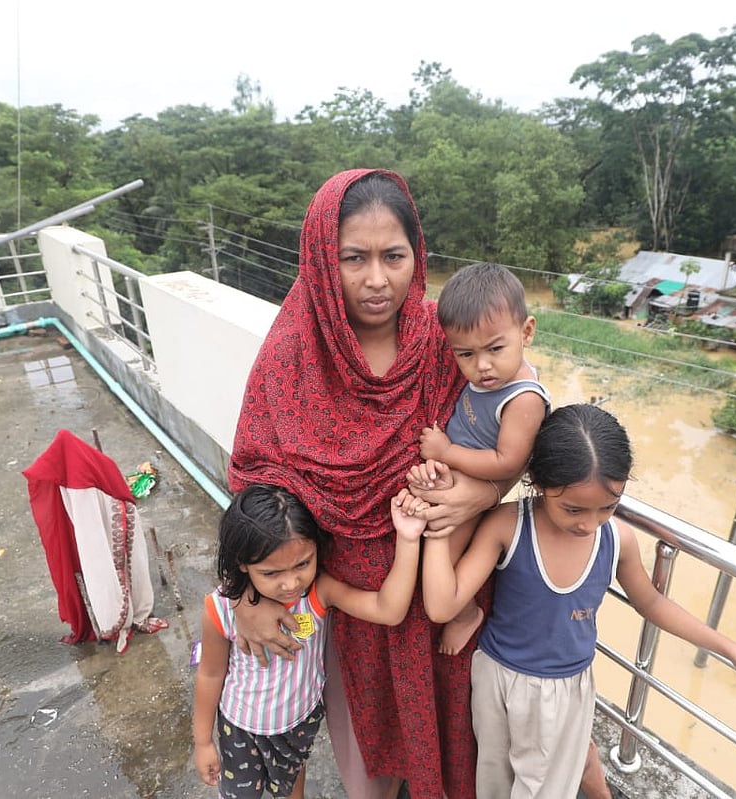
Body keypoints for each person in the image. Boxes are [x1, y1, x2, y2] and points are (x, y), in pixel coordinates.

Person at [227, 169, 503, 799]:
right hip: (348, 603)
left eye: (393, 257)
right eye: (354, 258)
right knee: (368, 764)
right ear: (323, 260)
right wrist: (251, 596)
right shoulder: (293, 356)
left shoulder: (449, 340)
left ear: (418, 255)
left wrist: (485, 492)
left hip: (447, 588)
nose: (378, 280)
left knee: (458, 741)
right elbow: (253, 482)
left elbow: (518, 426)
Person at [422, 403, 736, 799]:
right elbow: (444, 605)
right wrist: (433, 525)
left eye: (608, 505)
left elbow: (652, 603)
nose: (589, 523)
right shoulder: (508, 524)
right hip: (496, 677)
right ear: (536, 480)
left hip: (567, 689)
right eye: (573, 508)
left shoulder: (617, 539)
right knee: (494, 779)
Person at [192, 484, 426, 799]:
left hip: (298, 725)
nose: (291, 583)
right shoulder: (221, 609)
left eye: (302, 564)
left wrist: (409, 539)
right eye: (271, 573)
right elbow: (210, 674)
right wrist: (203, 741)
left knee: (291, 790)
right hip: (240, 729)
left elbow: (389, 609)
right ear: (243, 564)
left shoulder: (318, 594)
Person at [408, 261, 550, 655]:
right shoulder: (494, 377)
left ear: (527, 331)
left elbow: (508, 462)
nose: (482, 366)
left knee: (439, 572)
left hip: (475, 493)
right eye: (466, 354)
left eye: (495, 349)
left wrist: (447, 452)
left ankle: (464, 613)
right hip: (456, 476)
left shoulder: (522, 398)